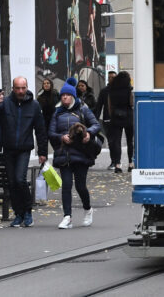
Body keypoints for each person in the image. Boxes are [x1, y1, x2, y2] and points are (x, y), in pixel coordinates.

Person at [0, 76, 47, 227]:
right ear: (13, 88)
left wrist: (42, 152)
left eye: (23, 88)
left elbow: (40, 130)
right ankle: (18, 214)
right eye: (17, 88)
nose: (21, 91)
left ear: (27, 87)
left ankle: (27, 211)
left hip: (24, 148)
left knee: (19, 179)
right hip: (8, 148)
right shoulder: (5, 103)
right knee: (12, 183)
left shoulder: (34, 105)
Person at [48, 84, 100, 229]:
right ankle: (67, 217)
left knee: (80, 186)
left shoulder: (83, 109)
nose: (64, 97)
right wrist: (61, 137)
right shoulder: (57, 113)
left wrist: (88, 133)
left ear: (73, 97)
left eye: (67, 95)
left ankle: (88, 209)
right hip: (64, 153)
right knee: (66, 185)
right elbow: (51, 132)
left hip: (81, 153)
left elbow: (96, 125)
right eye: (62, 95)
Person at [102, 71, 134, 173]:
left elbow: (109, 106)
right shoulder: (129, 89)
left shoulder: (111, 90)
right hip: (128, 117)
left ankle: (118, 165)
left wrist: (113, 116)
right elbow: (131, 103)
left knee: (117, 142)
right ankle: (130, 164)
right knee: (130, 141)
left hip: (116, 117)